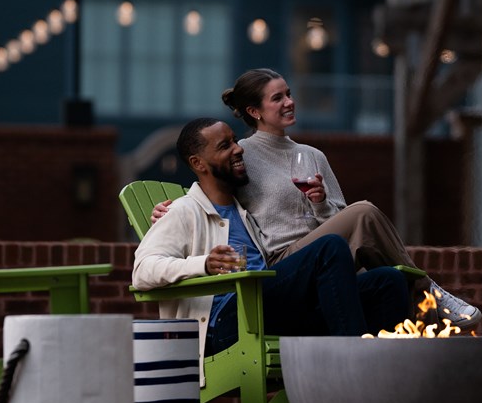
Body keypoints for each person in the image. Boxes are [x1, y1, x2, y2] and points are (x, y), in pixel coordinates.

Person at [219, 68, 482, 329]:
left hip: (330, 257)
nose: (289, 102)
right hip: (287, 263)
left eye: (288, 94)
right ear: (255, 112)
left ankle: (409, 325)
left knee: (384, 268)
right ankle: (428, 292)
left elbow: (345, 223)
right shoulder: (244, 157)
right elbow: (212, 188)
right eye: (277, 98)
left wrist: (320, 203)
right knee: (364, 211)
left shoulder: (313, 155)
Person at [133, 118, 411, 362]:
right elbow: (143, 270)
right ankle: (353, 363)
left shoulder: (245, 212)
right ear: (198, 163)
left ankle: (389, 376)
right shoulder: (183, 210)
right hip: (227, 323)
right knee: (330, 248)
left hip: (271, 310)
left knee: (388, 281)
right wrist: (203, 264)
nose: (238, 149)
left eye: (234, 141)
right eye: (224, 146)